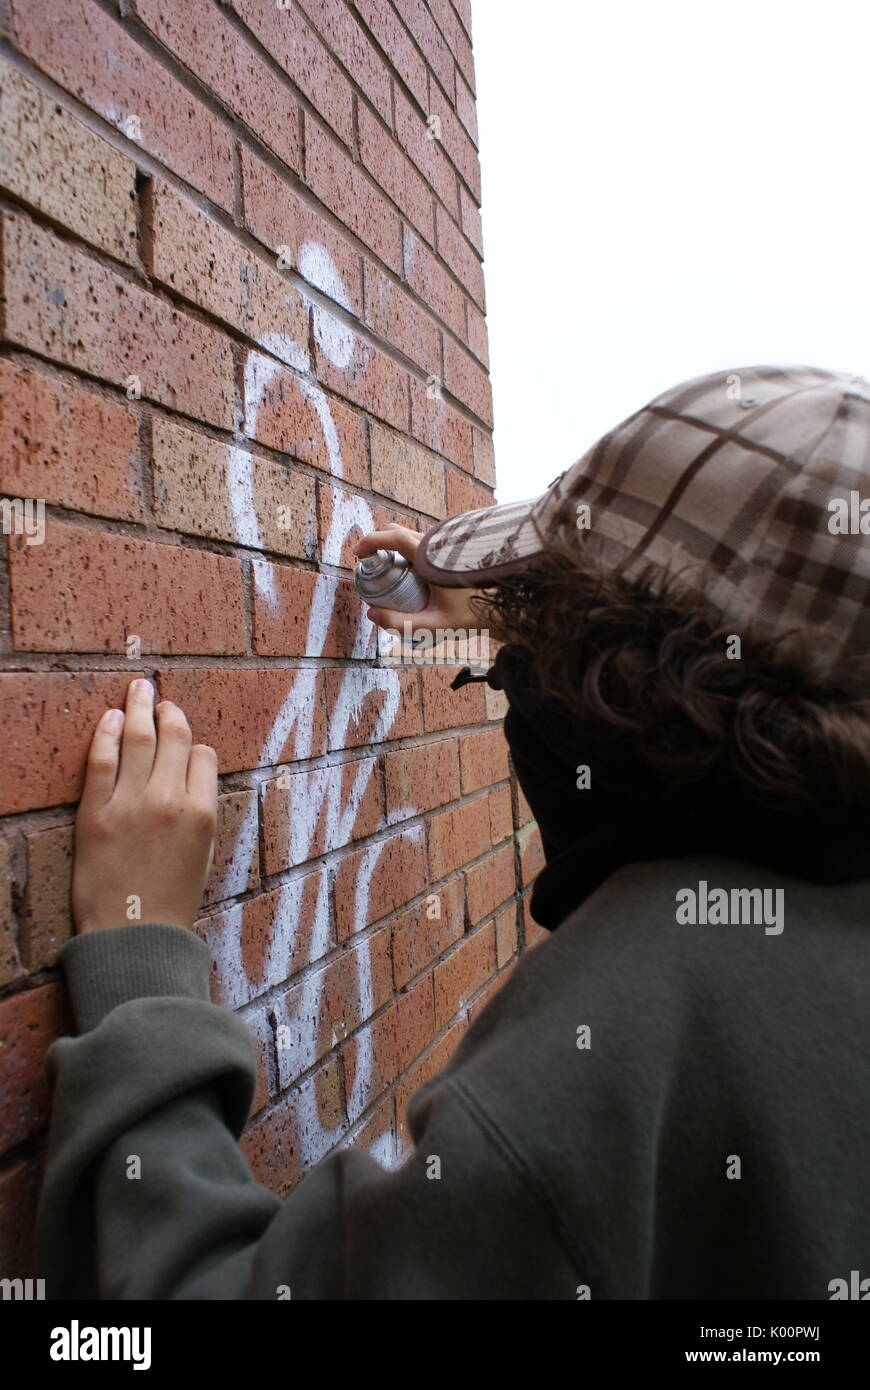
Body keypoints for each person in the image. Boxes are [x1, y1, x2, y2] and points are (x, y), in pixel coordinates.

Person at [36, 364, 870, 1299]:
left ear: (630, 693)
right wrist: (503, 605)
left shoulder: (644, 1012)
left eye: (562, 635)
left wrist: (137, 965)